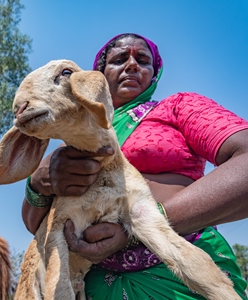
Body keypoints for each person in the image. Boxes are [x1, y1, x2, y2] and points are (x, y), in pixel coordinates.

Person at [21, 33, 248, 299]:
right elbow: (34, 224)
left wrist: (140, 227)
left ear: (154, 75)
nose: (131, 65)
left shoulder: (178, 107)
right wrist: (40, 181)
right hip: (93, 285)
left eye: (142, 60)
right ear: (97, 78)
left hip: (182, 277)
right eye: (119, 59)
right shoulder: (72, 140)